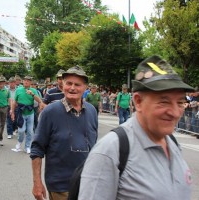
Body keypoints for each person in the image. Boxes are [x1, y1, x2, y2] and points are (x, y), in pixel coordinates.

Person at [79, 55, 194, 200]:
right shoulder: (110, 151)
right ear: (138, 102)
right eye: (164, 102)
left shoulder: (173, 143)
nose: (175, 112)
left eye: (180, 102)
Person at [30, 66, 98, 200]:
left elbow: (94, 146)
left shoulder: (91, 111)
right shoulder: (50, 112)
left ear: (85, 88)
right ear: (62, 86)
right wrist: (37, 183)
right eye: (69, 83)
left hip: (87, 185)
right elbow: (37, 149)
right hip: (60, 187)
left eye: (77, 84)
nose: (72, 88)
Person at [10, 75, 43, 154]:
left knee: (30, 131)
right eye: (25, 80)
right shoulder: (18, 90)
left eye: (28, 80)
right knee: (21, 130)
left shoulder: (33, 90)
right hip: (21, 113)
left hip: (30, 113)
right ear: (23, 81)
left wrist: (32, 94)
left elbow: (39, 101)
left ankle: (27, 147)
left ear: (30, 82)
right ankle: (19, 143)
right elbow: (14, 102)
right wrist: (12, 112)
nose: (26, 82)